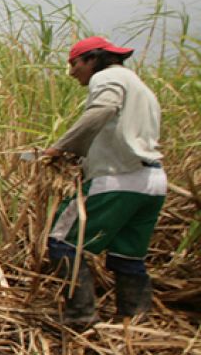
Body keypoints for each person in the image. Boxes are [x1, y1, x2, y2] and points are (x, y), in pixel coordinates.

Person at [43, 36, 166, 327]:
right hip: (152, 182)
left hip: (117, 180)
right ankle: (134, 320)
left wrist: (61, 147)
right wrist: (83, 158)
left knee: (62, 242)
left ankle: (80, 316)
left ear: (92, 59)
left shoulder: (107, 78)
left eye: (74, 64)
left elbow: (102, 111)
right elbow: (123, 133)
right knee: (127, 255)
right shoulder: (140, 87)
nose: (72, 72)